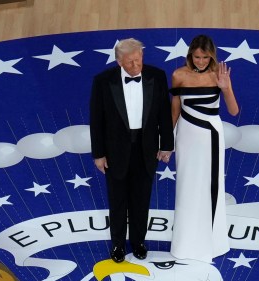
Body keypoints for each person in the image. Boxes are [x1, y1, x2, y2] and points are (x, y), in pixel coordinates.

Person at [90, 38, 174, 263]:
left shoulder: (156, 76)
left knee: (141, 200)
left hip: (146, 150)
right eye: (130, 62)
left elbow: (164, 115)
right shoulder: (103, 81)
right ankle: (117, 245)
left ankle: (138, 242)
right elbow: (96, 121)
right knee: (117, 202)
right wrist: (98, 154)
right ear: (119, 61)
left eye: (138, 60)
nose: (136, 66)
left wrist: (166, 145)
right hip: (115, 151)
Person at [169, 35, 239, 263]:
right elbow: (174, 112)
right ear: (190, 55)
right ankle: (185, 243)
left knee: (210, 186)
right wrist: (166, 144)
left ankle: (212, 242)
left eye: (205, 57)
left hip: (211, 137)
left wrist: (225, 88)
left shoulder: (218, 75)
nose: (200, 61)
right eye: (196, 57)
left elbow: (234, 110)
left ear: (212, 56)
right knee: (186, 186)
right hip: (186, 137)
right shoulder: (179, 75)